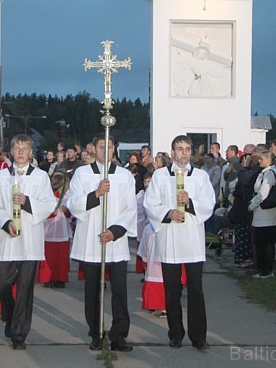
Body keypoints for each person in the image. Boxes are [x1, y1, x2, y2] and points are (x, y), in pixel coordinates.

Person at [67, 134, 138, 352]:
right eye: (100, 146)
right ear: (93, 150)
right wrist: (96, 193)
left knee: (119, 290)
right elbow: (72, 203)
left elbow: (131, 208)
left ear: (114, 149)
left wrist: (115, 231)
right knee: (93, 290)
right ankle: (96, 332)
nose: (105, 150)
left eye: (109, 146)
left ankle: (118, 335)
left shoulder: (125, 176)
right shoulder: (82, 173)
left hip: (114, 240)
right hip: (92, 239)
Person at [144, 135, 215, 350]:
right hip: (169, 238)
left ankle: (198, 336)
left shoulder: (201, 176)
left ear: (191, 152)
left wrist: (190, 203)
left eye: (187, 149)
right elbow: (150, 204)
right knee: (172, 290)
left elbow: (209, 203)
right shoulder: (159, 176)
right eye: (179, 149)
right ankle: (175, 333)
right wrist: (168, 213)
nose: (183, 153)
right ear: (172, 151)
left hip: (192, 239)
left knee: (196, 289)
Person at [0, 134, 56, 350]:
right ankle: (9, 314)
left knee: (25, 290)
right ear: (11, 151)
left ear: (30, 152)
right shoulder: (0, 177)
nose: (20, 152)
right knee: (1, 284)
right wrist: (6, 222)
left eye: (24, 148)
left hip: (30, 241)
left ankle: (19, 334)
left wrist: (27, 202)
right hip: (8, 238)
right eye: (16, 148)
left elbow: (48, 204)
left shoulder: (41, 177)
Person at [247, 146, 276, 278]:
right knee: (261, 242)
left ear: (268, 160)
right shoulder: (265, 172)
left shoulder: (269, 174)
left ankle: (266, 269)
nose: (259, 161)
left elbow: (263, 193)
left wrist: (252, 205)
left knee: (266, 243)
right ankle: (262, 268)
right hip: (262, 214)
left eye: (261, 159)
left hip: (267, 213)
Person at [39, 171, 72, 288]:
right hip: (50, 232)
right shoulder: (49, 197)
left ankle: (60, 278)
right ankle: (48, 278)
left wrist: (67, 211)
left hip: (63, 233)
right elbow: (42, 213)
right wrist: (52, 213)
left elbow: (71, 215)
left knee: (61, 258)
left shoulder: (67, 198)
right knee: (49, 257)